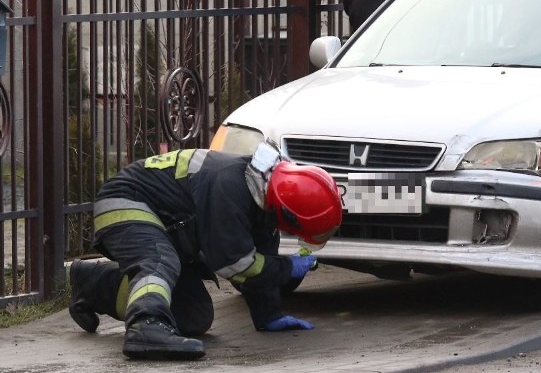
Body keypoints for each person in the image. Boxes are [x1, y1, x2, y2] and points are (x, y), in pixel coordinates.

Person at [66, 143, 343, 361]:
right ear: (288, 213)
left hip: (165, 223)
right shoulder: (231, 186)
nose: (294, 236)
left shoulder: (263, 198)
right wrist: (285, 269)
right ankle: (145, 326)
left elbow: (257, 257)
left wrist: (268, 315)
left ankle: (93, 285)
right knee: (160, 260)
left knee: (192, 317)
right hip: (126, 201)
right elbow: (235, 263)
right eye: (297, 231)